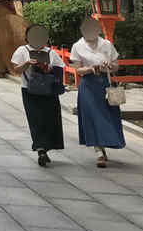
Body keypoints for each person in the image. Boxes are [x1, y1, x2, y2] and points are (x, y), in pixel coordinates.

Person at [71, 16, 125, 167]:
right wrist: (89, 68)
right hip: (88, 85)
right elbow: (78, 69)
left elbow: (116, 65)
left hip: (105, 84)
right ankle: (98, 151)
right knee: (93, 116)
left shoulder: (106, 44)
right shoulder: (77, 46)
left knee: (107, 115)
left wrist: (109, 65)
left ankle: (104, 145)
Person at [10, 24, 66, 166]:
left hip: (48, 91)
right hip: (30, 90)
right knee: (35, 119)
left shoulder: (51, 52)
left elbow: (60, 69)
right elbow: (15, 70)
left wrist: (49, 68)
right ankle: (41, 149)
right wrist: (28, 63)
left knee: (50, 119)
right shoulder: (22, 50)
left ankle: (45, 148)